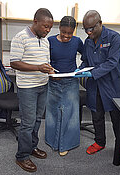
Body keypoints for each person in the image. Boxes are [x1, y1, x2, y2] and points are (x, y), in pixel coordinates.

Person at [78, 10, 120, 161]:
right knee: (97, 115)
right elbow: (86, 61)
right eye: (85, 29)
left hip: (112, 86)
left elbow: (112, 62)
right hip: (95, 86)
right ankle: (99, 142)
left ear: (100, 23)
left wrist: (93, 73)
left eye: (91, 28)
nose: (88, 32)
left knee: (117, 119)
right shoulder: (88, 41)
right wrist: (81, 68)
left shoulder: (114, 37)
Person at [10, 8, 54, 172]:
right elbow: (14, 63)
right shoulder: (20, 37)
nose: (48, 30)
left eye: (50, 27)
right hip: (27, 88)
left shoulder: (45, 40)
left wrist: (50, 70)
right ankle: (21, 156)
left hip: (43, 85)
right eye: (45, 26)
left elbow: (44, 63)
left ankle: (32, 147)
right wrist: (38, 67)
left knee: (36, 120)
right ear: (35, 21)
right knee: (27, 124)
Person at [45, 16, 83, 156]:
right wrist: (48, 68)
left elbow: (86, 56)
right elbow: (44, 58)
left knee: (71, 114)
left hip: (71, 81)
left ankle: (67, 144)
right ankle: (52, 142)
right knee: (52, 113)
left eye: (70, 33)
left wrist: (81, 69)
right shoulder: (50, 41)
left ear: (74, 31)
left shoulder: (77, 41)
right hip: (54, 81)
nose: (66, 36)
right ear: (59, 28)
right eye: (63, 33)